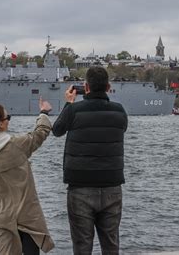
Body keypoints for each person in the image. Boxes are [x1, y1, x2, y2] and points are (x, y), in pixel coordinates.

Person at [52, 66, 128, 254]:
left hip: (80, 188)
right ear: (108, 87)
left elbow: (57, 130)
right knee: (111, 245)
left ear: (85, 87)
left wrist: (69, 103)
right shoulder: (120, 112)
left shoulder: (74, 110)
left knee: (82, 246)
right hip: (112, 187)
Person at [0, 98, 55, 255]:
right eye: (7, 118)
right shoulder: (18, 144)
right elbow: (41, 132)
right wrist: (43, 112)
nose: (8, 121)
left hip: (1, 214)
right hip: (27, 213)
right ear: (1, 124)